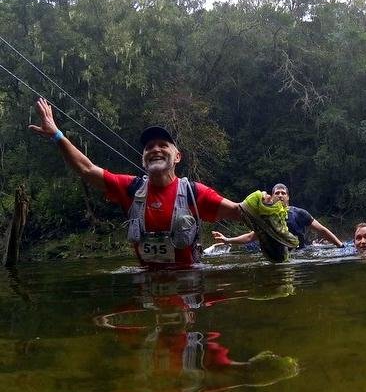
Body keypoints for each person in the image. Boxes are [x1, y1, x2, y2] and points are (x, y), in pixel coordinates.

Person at [29, 98, 241, 269]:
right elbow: (86, 169)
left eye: (162, 145)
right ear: (144, 157)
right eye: (149, 147)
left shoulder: (195, 192)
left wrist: (267, 205)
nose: (155, 149)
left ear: (177, 157)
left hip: (188, 288)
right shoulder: (130, 188)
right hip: (146, 288)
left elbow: (238, 211)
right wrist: (57, 135)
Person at [211, 183, 343, 250]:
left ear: (288, 197)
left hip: (300, 255)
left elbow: (322, 230)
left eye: (283, 193)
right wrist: (227, 240)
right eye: (277, 193)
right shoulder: (266, 218)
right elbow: (251, 236)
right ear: (272, 197)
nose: (280, 195)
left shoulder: (300, 213)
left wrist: (340, 246)